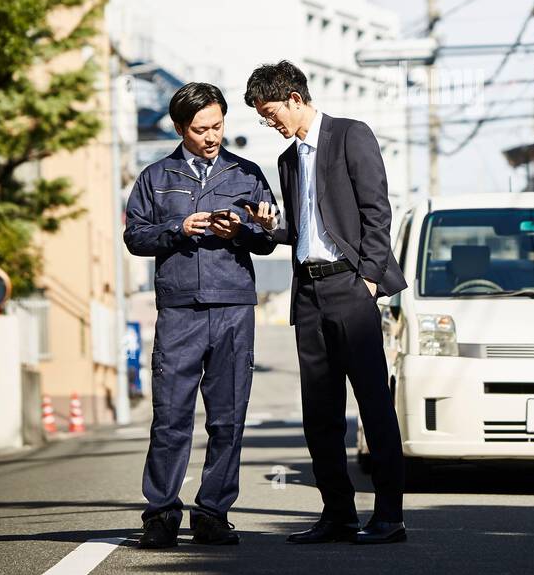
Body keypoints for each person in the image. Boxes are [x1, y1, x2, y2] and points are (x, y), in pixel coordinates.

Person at [243, 59, 408, 545]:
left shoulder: (351, 135)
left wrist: (371, 283)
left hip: (351, 288)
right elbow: (296, 231)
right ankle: (337, 513)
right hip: (309, 292)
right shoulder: (287, 160)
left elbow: (377, 212)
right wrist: (264, 225)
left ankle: (390, 515)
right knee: (319, 411)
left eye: (269, 111)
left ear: (294, 98)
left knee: (373, 404)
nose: (268, 122)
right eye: (260, 115)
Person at [124, 81, 279, 549]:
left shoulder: (246, 173)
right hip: (179, 311)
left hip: (233, 307)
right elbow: (135, 237)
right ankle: (161, 515)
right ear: (179, 128)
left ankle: (212, 513)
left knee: (227, 418)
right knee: (170, 415)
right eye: (200, 129)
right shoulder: (155, 177)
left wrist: (249, 229)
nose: (211, 136)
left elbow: (270, 236)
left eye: (217, 125)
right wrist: (176, 228)